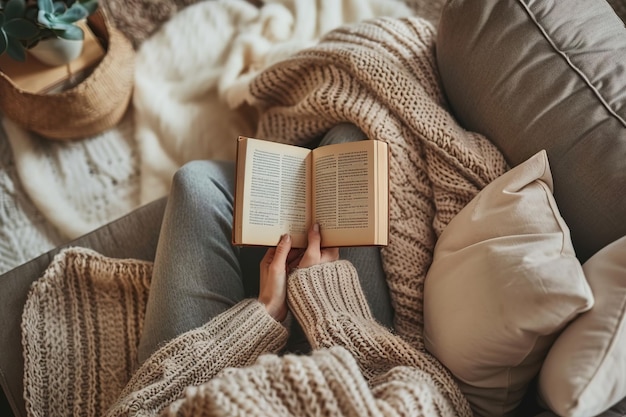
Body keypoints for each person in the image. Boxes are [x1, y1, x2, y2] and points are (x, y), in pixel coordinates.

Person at [106, 124, 463, 416]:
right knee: (347, 143)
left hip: (212, 384)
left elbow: (138, 407)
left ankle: (287, 171)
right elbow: (436, 399)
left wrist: (264, 315)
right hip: (346, 370)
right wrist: (324, 298)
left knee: (195, 182)